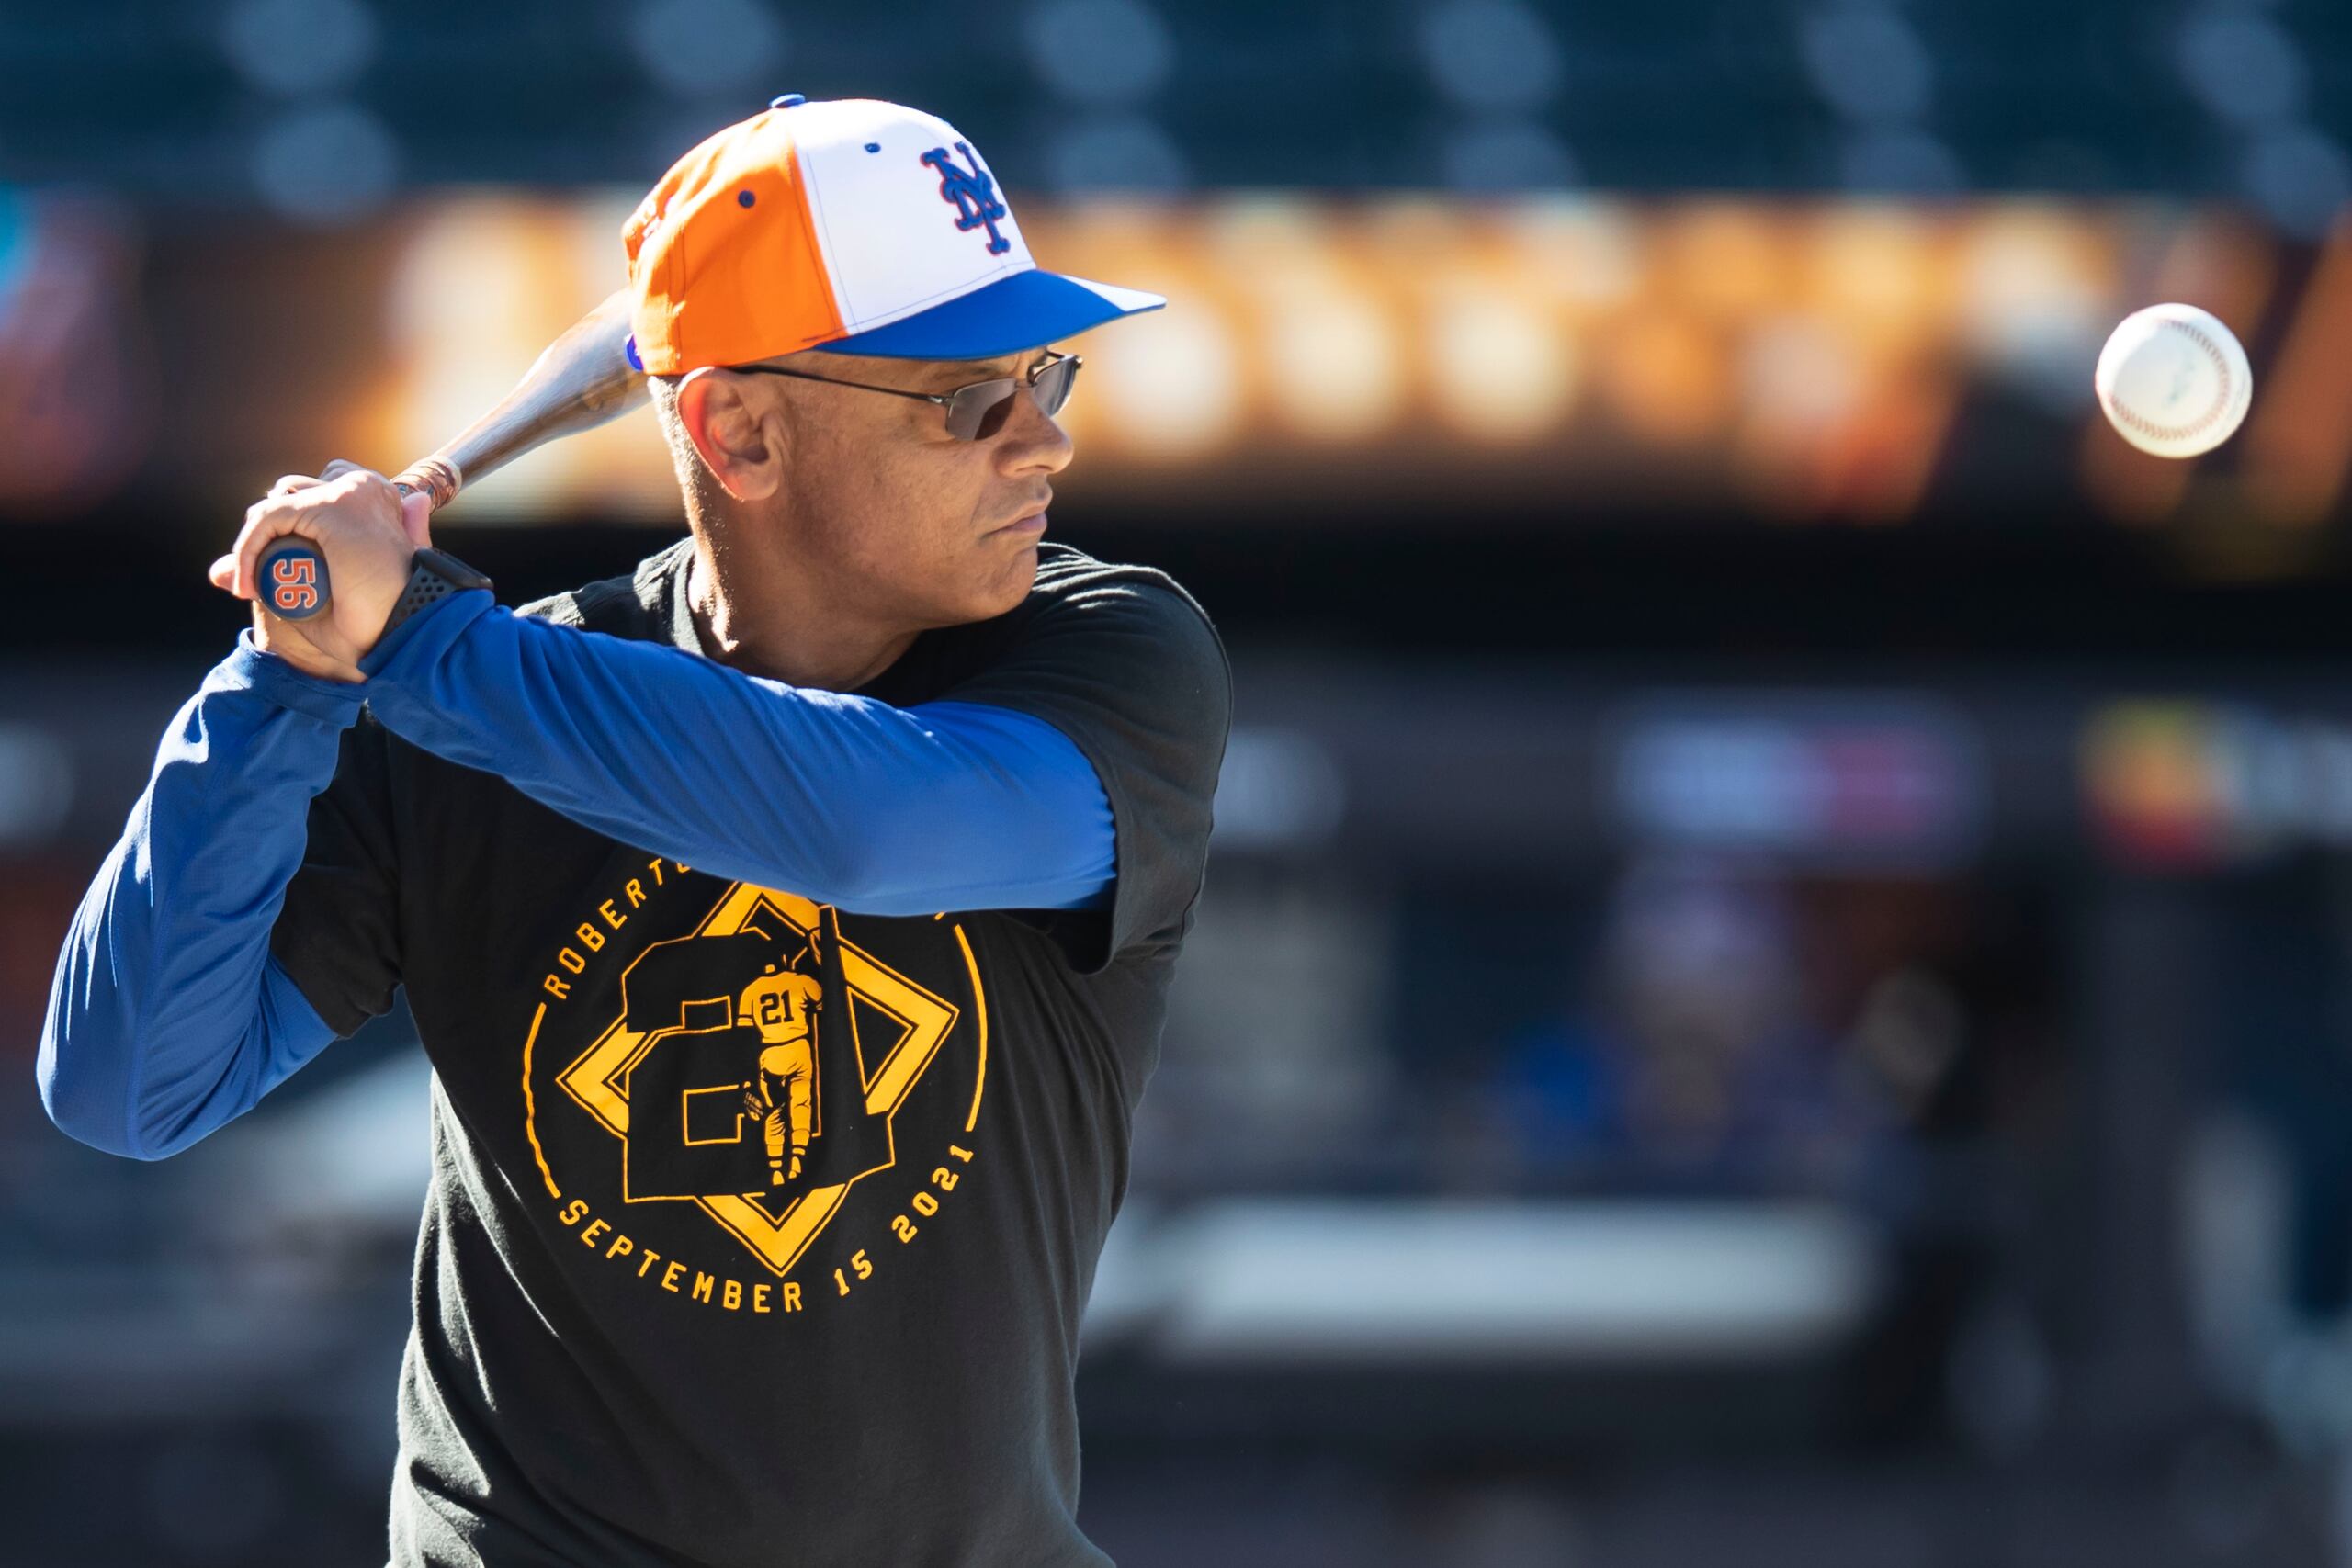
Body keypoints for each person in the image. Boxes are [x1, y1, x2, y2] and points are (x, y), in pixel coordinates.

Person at [38, 94, 1229, 1568]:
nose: (1041, 443)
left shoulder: (1109, 648)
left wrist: (407, 639)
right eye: (970, 397)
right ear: (737, 428)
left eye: (1047, 373)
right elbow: (128, 1084)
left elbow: (873, 828)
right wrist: (286, 672)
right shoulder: (473, 709)